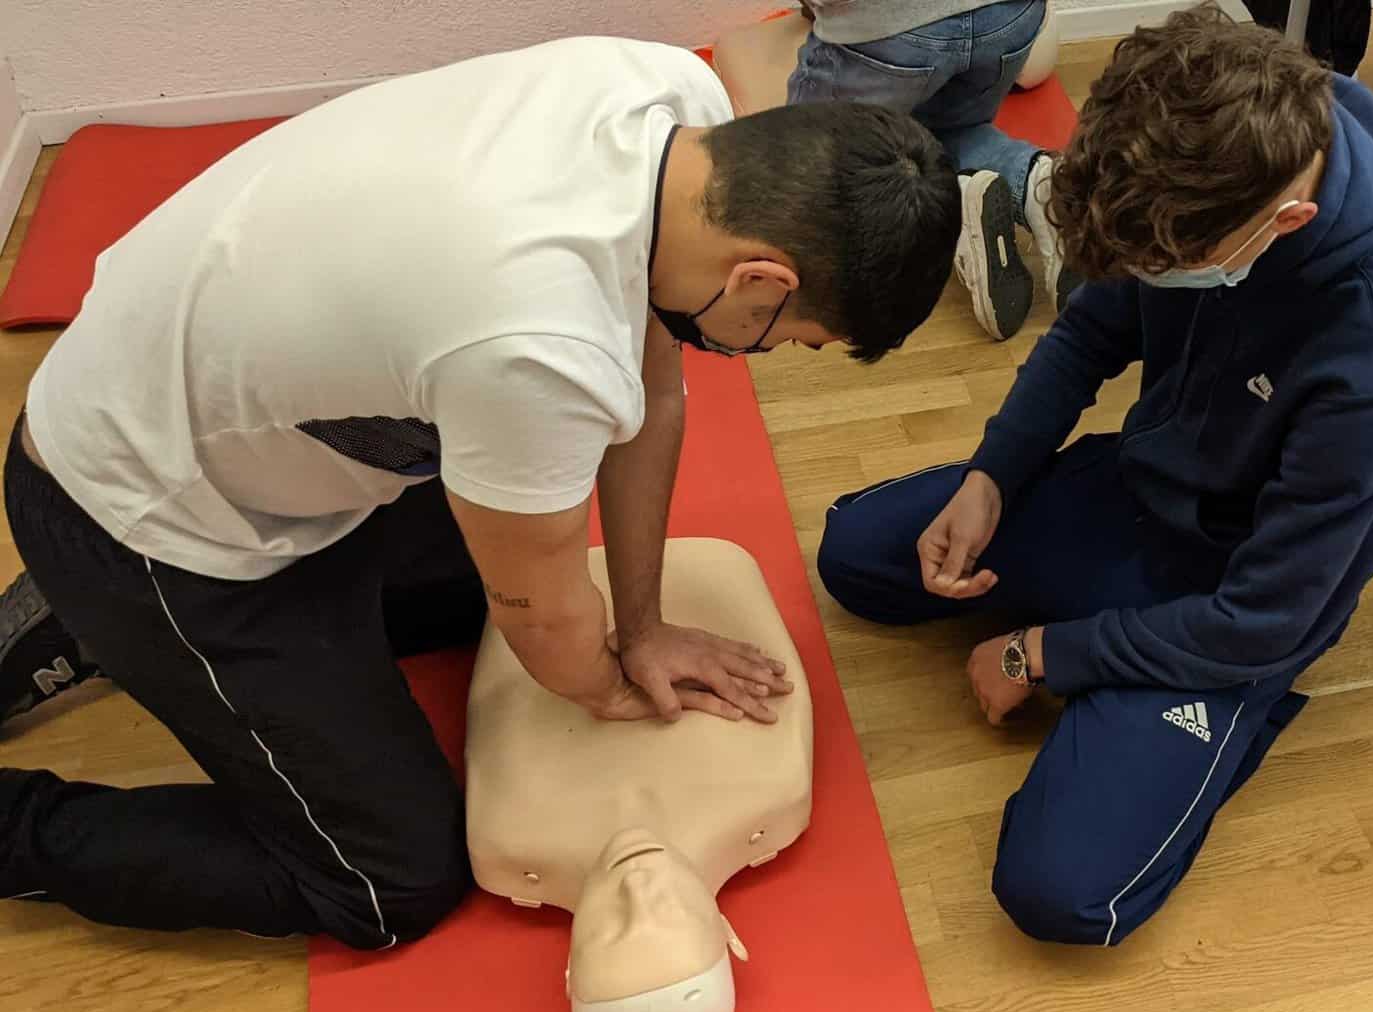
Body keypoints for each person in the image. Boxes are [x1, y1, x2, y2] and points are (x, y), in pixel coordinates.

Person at [0, 36, 959, 948]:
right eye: (791, 338)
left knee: (502, 572)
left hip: (195, 410)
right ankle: (48, 751)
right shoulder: (533, 343)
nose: (769, 356)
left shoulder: (676, 112)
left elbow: (651, 391)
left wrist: (645, 619)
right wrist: (610, 684)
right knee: (389, 881)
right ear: (761, 277)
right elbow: (544, 621)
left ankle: (98, 626)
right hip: (147, 517)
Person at [815, 6, 1373, 945]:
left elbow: (1265, 619)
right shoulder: (1178, 170)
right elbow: (1087, 332)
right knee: (857, 558)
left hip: (1228, 606)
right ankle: (1099, 655)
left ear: (1285, 222)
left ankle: (1201, 721)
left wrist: (1039, 656)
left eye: (1167, 268)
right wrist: (992, 477)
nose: (1142, 276)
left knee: (1059, 893)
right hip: (1128, 493)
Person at [790, 0, 1077, 341]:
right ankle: (1036, 184)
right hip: (1010, 18)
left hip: (889, 32)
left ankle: (932, 227)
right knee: (949, 127)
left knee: (804, 159)